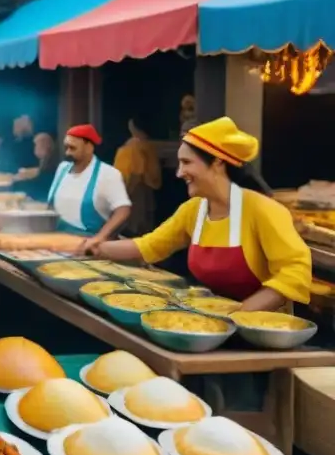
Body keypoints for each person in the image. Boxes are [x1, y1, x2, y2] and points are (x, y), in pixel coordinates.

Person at [92, 117, 311, 312]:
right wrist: (94, 247)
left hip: (264, 334)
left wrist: (240, 315)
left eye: (186, 162)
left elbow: (295, 271)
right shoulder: (194, 210)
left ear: (217, 162)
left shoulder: (263, 210)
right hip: (213, 323)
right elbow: (150, 246)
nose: (179, 172)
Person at [47, 124, 132, 251]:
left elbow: (123, 210)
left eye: (72, 148)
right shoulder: (62, 169)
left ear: (89, 147)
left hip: (89, 247)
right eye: (66, 147)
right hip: (58, 243)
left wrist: (100, 237)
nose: (67, 152)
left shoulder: (108, 174)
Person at [114, 116, 163, 235]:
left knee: (134, 224)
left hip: (134, 189)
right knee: (145, 223)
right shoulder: (148, 144)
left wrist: (125, 192)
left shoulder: (134, 145)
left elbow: (135, 171)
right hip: (146, 189)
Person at [13, 132, 58, 201]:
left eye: (37, 145)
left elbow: (43, 183)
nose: (35, 148)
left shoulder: (52, 162)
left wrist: (23, 182)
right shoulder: (44, 160)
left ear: (45, 146)